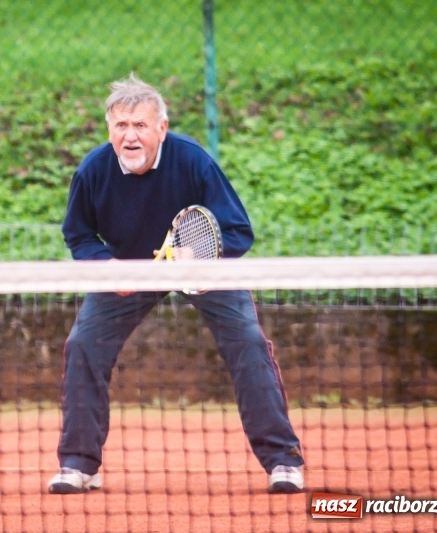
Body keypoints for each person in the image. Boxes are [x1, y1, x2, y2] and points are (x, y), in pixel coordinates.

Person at [47, 73, 304, 495]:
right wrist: (108, 266)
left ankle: (283, 462)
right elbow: (78, 234)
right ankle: (79, 465)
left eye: (140, 126)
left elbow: (238, 230)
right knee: (83, 345)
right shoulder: (93, 170)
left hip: (202, 271)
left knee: (248, 343)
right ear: (110, 130)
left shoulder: (193, 161)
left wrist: (200, 258)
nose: (130, 136)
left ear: (161, 129)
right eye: (121, 126)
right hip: (130, 267)